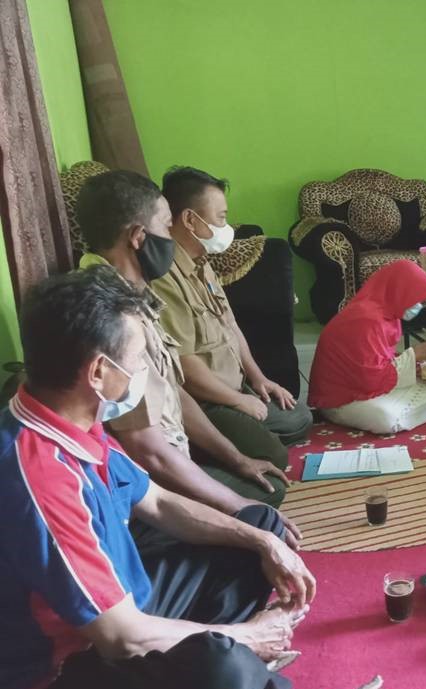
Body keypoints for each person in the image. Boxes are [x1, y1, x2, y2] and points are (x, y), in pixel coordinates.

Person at [2, 270, 316, 689]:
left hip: (118, 609)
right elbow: (122, 637)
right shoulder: (39, 477)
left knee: (257, 523)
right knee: (224, 672)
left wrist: (262, 540)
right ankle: (230, 659)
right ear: (98, 372)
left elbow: (159, 502)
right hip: (63, 674)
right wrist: (249, 636)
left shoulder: (70, 422)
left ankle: (217, 653)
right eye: (137, 360)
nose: (142, 372)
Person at [75, 173, 299, 546]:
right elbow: (148, 452)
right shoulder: (111, 318)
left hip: (174, 452)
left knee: (261, 472)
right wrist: (236, 506)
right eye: (166, 227)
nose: (172, 239)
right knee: (263, 505)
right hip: (152, 491)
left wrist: (237, 459)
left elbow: (173, 391)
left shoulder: (133, 296)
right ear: (138, 237)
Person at [151, 166, 312, 448]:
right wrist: (237, 400)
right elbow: (185, 363)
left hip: (236, 386)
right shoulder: (164, 278)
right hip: (206, 400)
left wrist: (259, 379)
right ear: (190, 219)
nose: (226, 228)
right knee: (273, 452)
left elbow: (230, 324)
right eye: (221, 217)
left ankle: (244, 437)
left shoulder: (202, 263)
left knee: (299, 416)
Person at [308, 260, 426, 433]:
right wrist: (415, 355)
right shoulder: (368, 319)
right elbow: (370, 379)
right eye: (414, 299)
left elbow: (379, 359)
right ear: (398, 291)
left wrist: (419, 365)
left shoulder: (385, 314)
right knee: (386, 418)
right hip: (340, 399)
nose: (418, 306)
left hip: (361, 385)